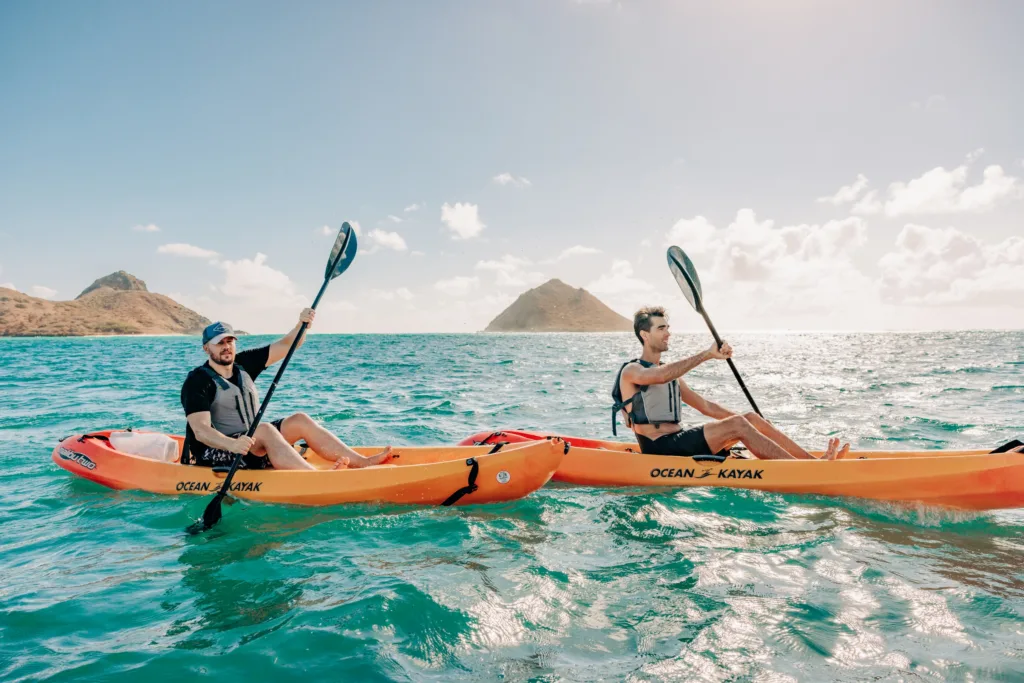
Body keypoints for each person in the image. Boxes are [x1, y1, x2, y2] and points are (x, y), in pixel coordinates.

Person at [612, 306, 849, 461]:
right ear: (644, 335)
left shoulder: (672, 375)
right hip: (659, 449)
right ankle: (802, 472)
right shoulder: (632, 371)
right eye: (661, 328)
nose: (668, 333)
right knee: (738, 424)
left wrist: (754, 425)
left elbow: (707, 407)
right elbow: (660, 376)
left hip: (680, 441)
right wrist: (707, 354)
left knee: (749, 418)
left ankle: (813, 463)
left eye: (668, 328)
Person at [180, 310, 391, 471]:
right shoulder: (197, 381)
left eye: (229, 341)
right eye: (219, 343)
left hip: (249, 444)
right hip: (219, 451)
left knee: (299, 419)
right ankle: (314, 478)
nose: (226, 347)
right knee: (264, 430)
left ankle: (362, 463)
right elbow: (201, 431)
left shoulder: (243, 363)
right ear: (206, 348)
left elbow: (289, 344)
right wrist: (233, 445)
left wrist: (302, 324)